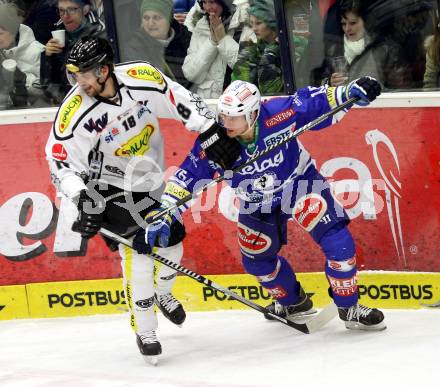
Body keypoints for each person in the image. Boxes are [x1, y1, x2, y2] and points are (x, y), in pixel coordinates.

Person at [135, 77, 387, 332]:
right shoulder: (216, 141)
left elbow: (318, 101)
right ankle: (293, 302)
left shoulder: (278, 113)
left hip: (299, 182)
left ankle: (349, 306)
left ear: (254, 113)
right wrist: (165, 212)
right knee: (257, 260)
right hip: (256, 202)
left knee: (338, 242)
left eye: (234, 117)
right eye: (223, 116)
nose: (226, 123)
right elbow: (187, 177)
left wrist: (351, 90)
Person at [45, 36, 241, 362]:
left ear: (105, 70)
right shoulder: (74, 112)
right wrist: (83, 199)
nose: (79, 83)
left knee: (172, 242)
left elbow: (177, 97)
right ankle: (145, 328)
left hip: (148, 178)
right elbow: (61, 163)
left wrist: (208, 129)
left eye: (85, 74)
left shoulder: (141, 77)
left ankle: (163, 294)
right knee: (139, 252)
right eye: (75, 75)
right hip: (106, 186)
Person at [320, 0, 408, 89]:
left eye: (353, 23)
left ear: (365, 22)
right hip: (343, 102)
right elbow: (316, 83)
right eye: (343, 24)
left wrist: (394, 81)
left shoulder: (386, 49)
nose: (347, 29)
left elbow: (403, 88)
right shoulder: (332, 49)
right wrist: (329, 82)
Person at [182, 0, 255, 98]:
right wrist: (212, 42)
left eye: (212, 2)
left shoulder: (245, 24)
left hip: (238, 104)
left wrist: (222, 39)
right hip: (206, 105)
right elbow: (190, 74)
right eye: (204, 2)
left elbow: (249, 68)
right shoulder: (200, 26)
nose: (208, 7)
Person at [40, 0, 106, 104]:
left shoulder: (99, 32)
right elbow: (48, 86)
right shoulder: (57, 30)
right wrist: (47, 56)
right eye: (61, 10)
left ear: (85, 10)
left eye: (71, 10)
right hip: (66, 102)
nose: (65, 16)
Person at [124, 0, 193, 89]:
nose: (150, 23)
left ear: (169, 18)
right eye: (146, 18)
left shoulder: (186, 37)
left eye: (156, 18)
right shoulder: (135, 47)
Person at [232, 0, 283, 94]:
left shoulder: (289, 48)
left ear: (271, 22)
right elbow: (239, 90)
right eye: (251, 23)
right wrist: (246, 55)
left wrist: (270, 56)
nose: (254, 28)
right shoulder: (255, 49)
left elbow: (270, 92)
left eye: (258, 23)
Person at [0, 2, 45, 108]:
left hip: (31, 113)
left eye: (0, 34)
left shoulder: (38, 51)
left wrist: (19, 79)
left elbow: (44, 88)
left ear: (13, 32)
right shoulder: (2, 51)